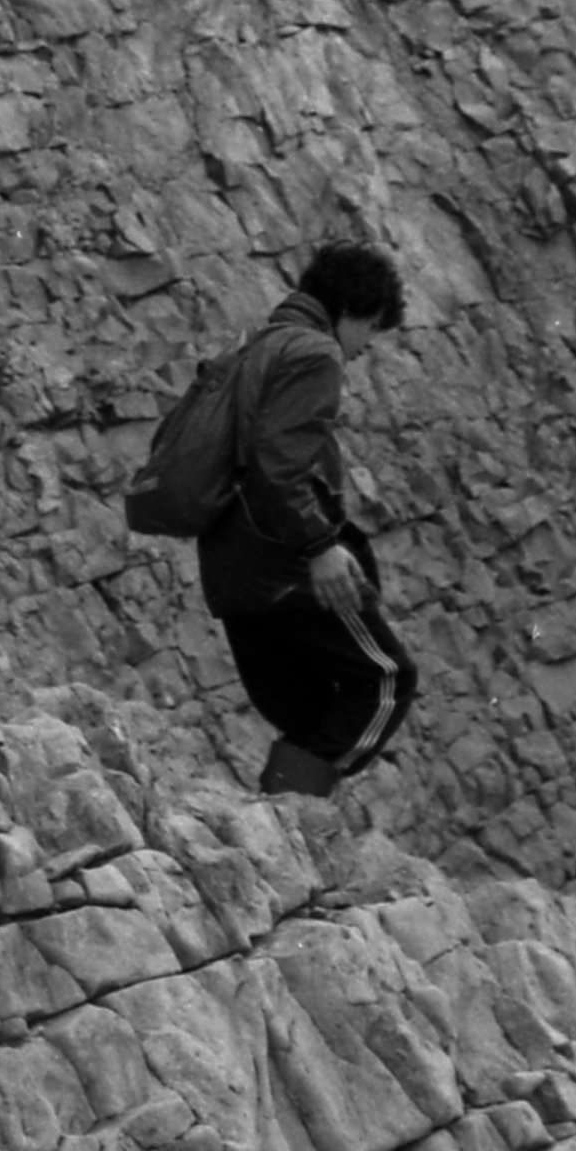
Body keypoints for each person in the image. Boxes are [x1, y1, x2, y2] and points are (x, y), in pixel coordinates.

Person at [199, 239, 418, 797]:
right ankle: (291, 810)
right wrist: (320, 546)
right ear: (352, 310)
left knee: (313, 714)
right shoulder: (315, 353)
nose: (366, 347)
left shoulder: (259, 344)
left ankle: (280, 821)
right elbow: (278, 465)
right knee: (387, 678)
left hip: (231, 567)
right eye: (372, 328)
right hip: (281, 564)